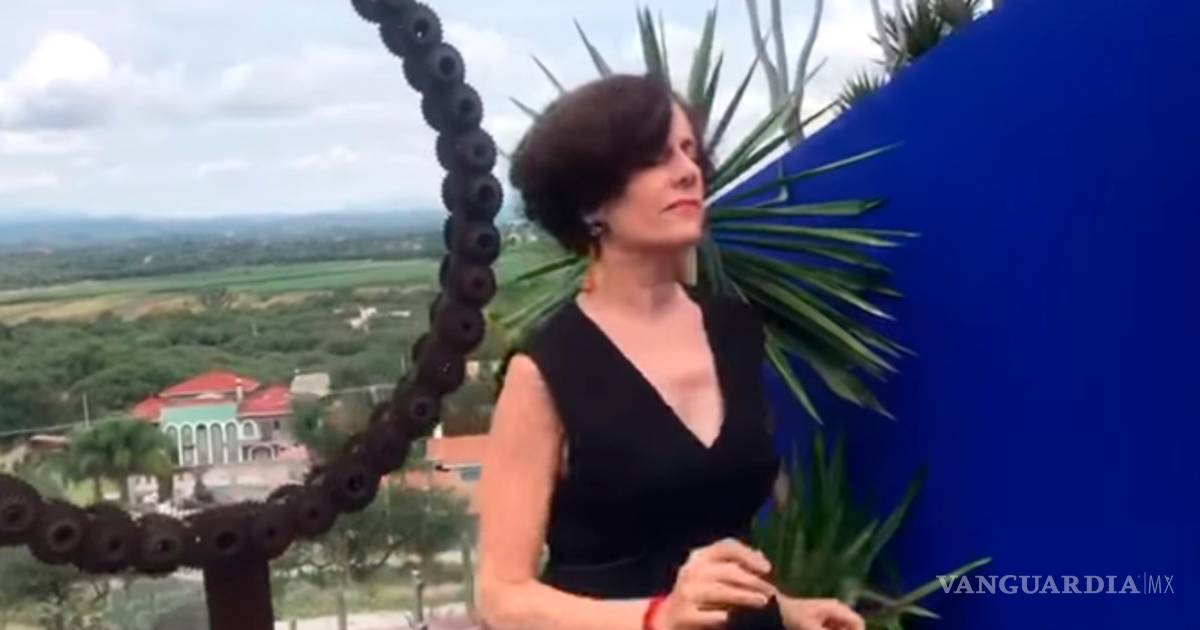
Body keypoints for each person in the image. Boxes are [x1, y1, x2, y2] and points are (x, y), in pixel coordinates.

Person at [474, 74, 864, 630]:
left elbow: (706, 527)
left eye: (688, 150)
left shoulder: (735, 330)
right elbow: (501, 596)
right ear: (590, 201)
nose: (688, 171)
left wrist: (788, 611)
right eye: (656, 158)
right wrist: (658, 617)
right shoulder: (546, 371)